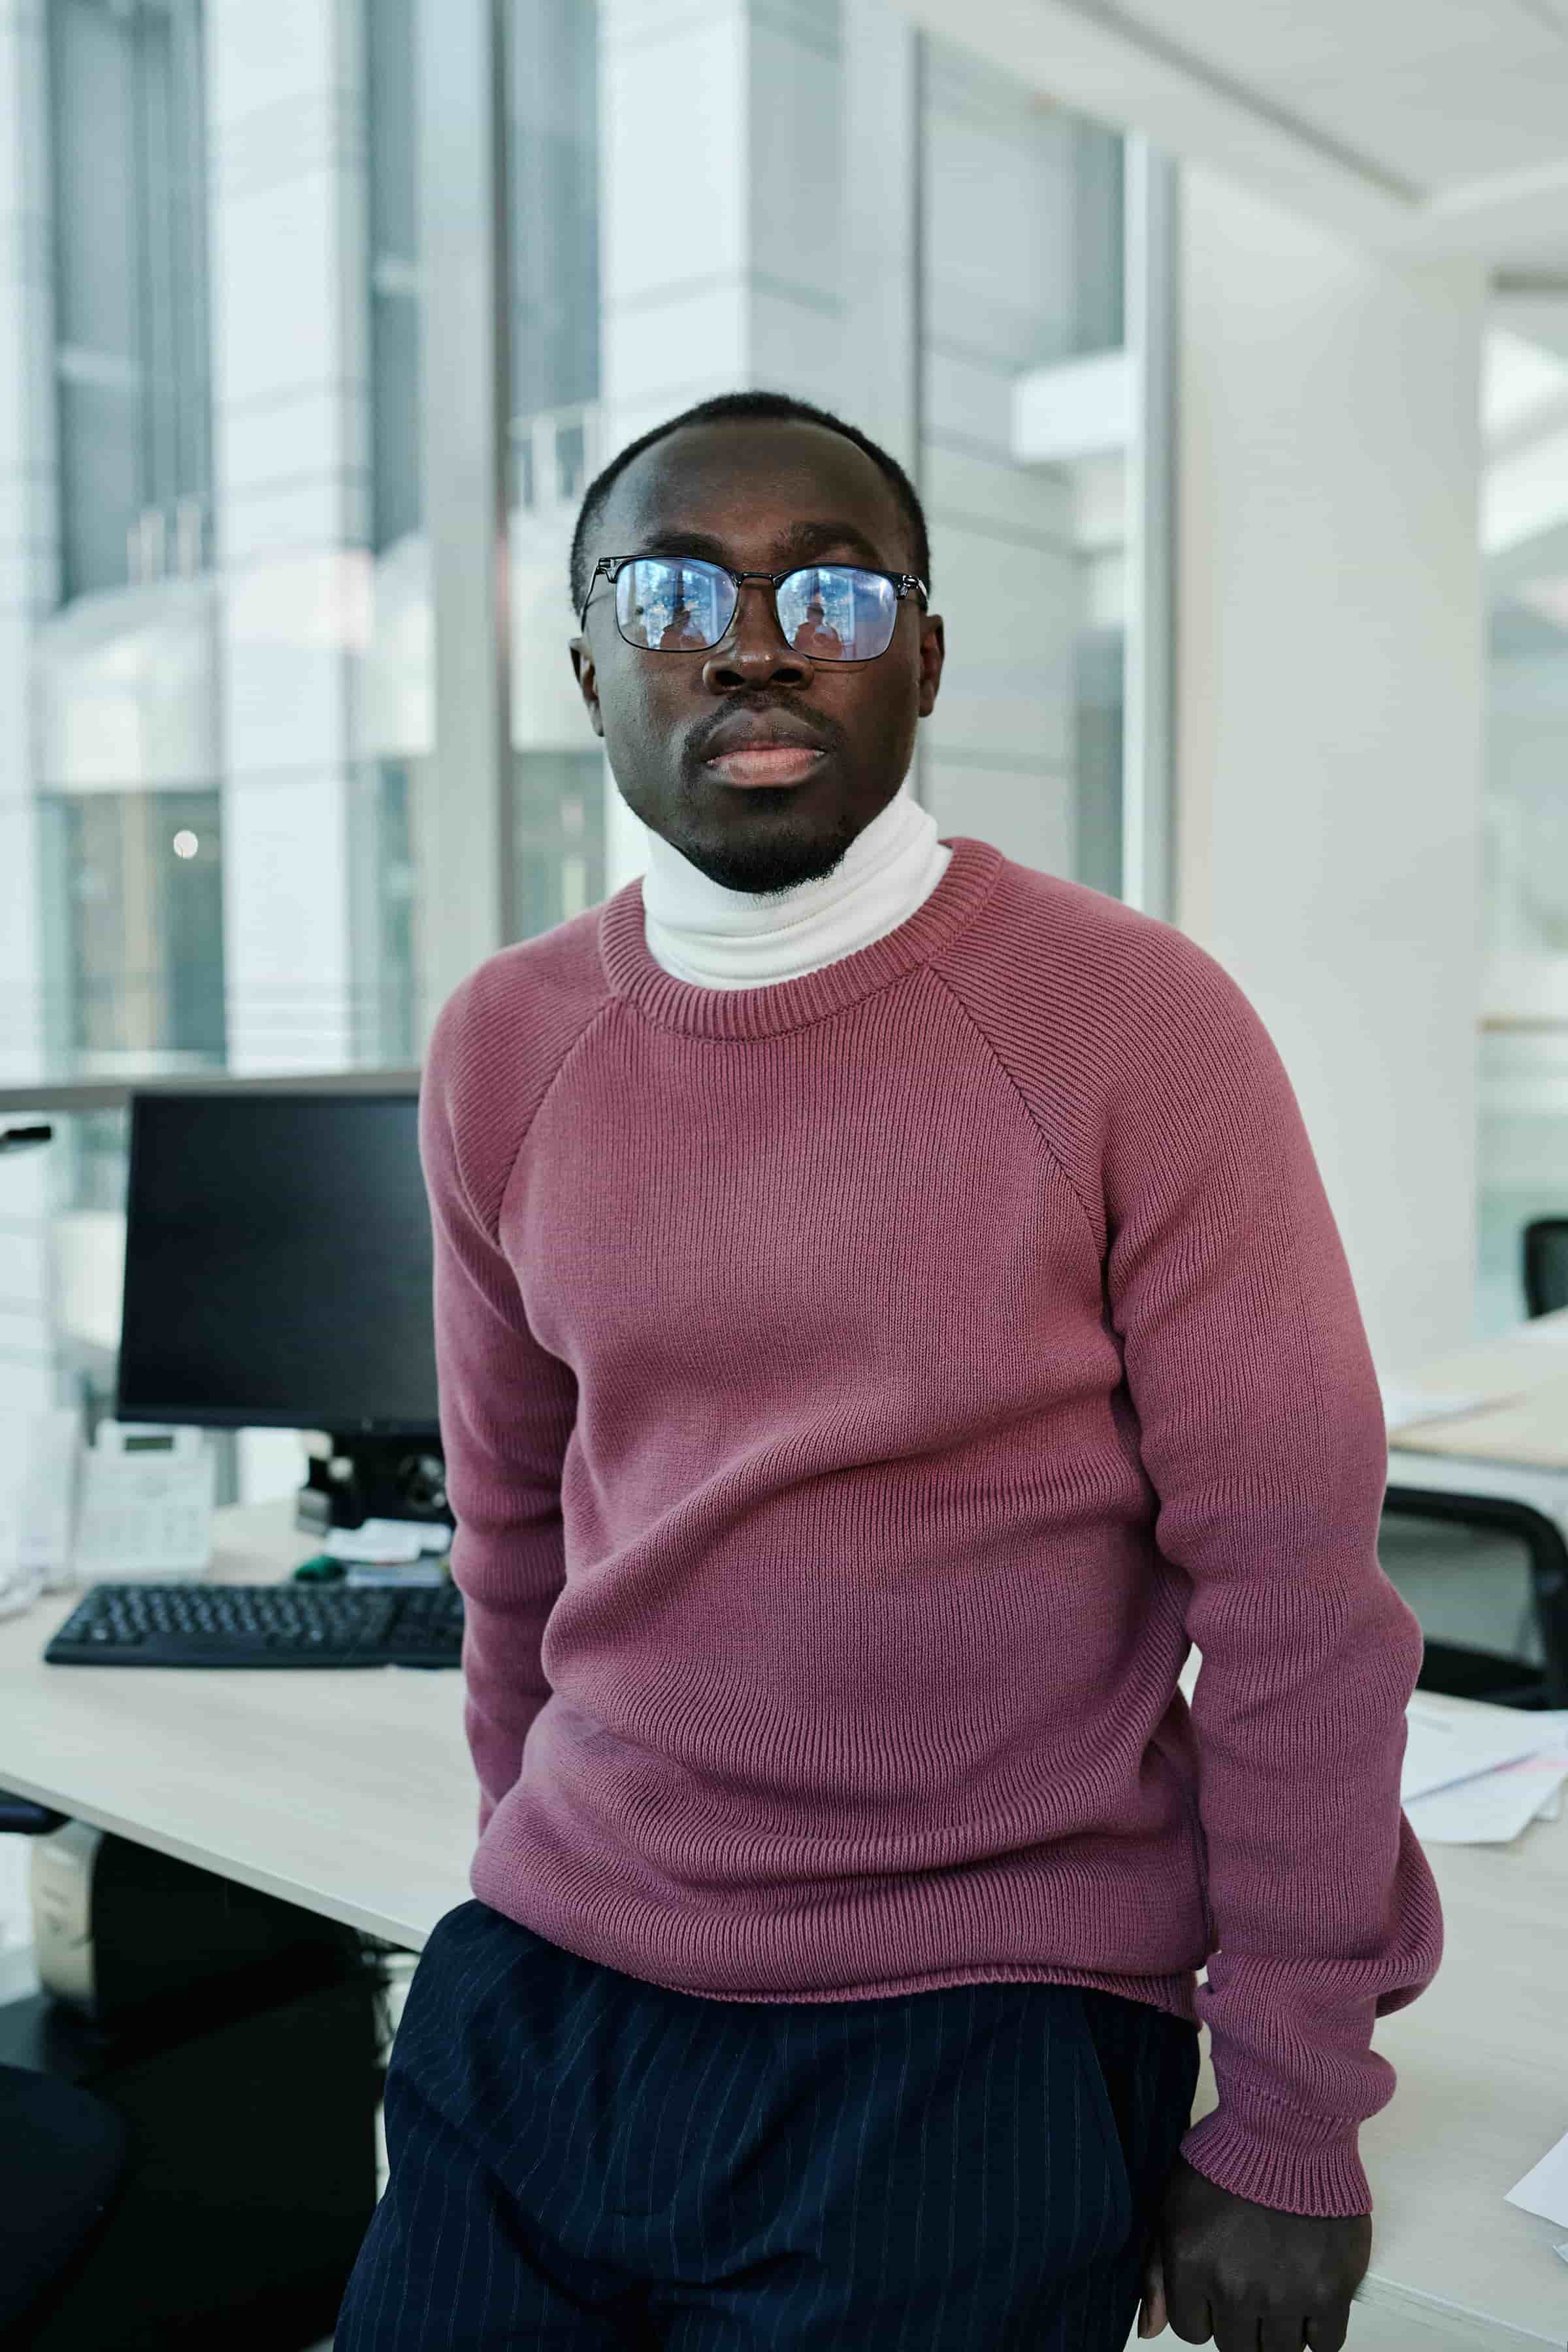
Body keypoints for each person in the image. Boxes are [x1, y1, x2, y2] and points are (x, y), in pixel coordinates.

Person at [335, 389, 1442, 2351]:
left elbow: (1297, 1603)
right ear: (589, 664)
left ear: (925, 654)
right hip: (556, 1982)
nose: (753, 640)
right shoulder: (506, 1043)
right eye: (675, 591)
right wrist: (524, 1861)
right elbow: (512, 1532)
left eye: (831, 592)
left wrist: (1289, 2112)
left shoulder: (1131, 1020)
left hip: (981, 2005)